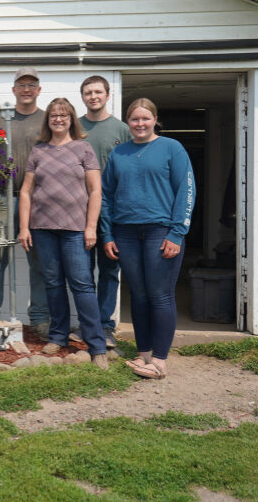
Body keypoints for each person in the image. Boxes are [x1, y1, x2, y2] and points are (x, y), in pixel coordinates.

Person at [100, 98, 195, 379]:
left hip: (160, 231)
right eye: (134, 119)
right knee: (139, 296)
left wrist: (177, 233)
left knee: (160, 295)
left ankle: (160, 361)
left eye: (145, 119)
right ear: (127, 123)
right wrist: (106, 233)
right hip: (125, 233)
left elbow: (186, 192)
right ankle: (143, 356)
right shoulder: (119, 154)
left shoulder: (171, 149)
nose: (139, 124)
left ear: (155, 119)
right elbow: (106, 196)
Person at [17, 98, 109, 368]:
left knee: (82, 285)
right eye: (53, 115)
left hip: (75, 231)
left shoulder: (84, 148)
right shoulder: (38, 151)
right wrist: (24, 227)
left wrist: (91, 226)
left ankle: (97, 345)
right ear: (48, 120)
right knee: (53, 284)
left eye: (63, 115)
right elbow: (25, 191)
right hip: (42, 228)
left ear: (71, 118)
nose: (58, 119)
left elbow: (95, 190)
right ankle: (58, 336)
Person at [0, 67, 49, 338]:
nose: (27, 89)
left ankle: (40, 318)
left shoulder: (46, 120)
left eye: (32, 84)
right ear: (14, 90)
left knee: (40, 260)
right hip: (1, 200)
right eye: (22, 84)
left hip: (39, 202)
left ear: (39, 90)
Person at [78, 75, 132, 349]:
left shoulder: (121, 130)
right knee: (83, 272)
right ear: (83, 97)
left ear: (107, 95)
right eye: (88, 92)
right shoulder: (74, 127)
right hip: (79, 209)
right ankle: (87, 326)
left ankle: (105, 326)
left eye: (98, 92)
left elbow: (130, 169)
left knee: (110, 269)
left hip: (112, 210)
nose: (93, 96)